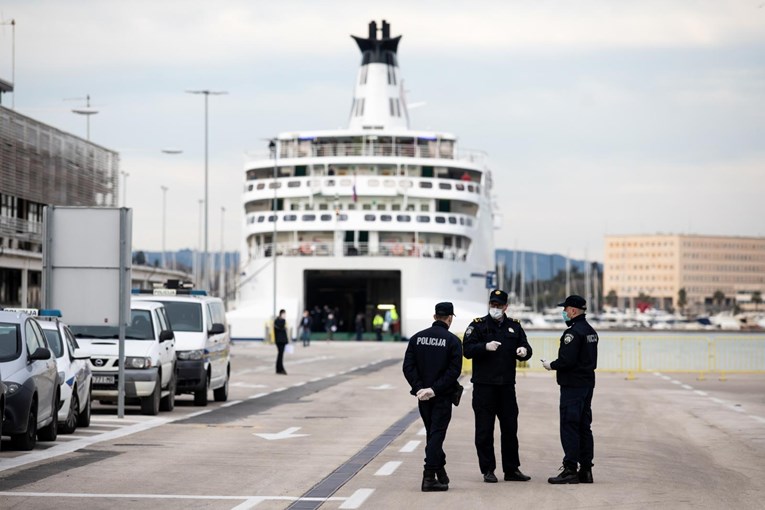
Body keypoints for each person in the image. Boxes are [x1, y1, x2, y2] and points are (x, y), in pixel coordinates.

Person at [463, 289, 533, 484]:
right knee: (484, 431)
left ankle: (511, 469)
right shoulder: (477, 326)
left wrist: (523, 351)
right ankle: (488, 469)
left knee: (510, 429)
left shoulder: (514, 326)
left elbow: (528, 348)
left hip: (506, 387)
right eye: (492, 305)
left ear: (506, 307)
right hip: (484, 387)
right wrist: (484, 347)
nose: (495, 308)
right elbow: (467, 350)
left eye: (499, 305)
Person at [403, 301, 463, 492]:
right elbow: (454, 371)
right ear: (450, 318)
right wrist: (435, 389)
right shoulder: (453, 341)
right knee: (437, 435)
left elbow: (408, 367)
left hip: (422, 397)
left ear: (434, 316)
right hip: (442, 396)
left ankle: (440, 470)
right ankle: (429, 476)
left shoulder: (416, 338)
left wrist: (420, 387)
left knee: (432, 434)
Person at [542, 295, 599, 484]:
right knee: (584, 426)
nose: (564, 313)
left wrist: (551, 365)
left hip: (573, 386)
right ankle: (586, 470)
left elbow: (567, 361)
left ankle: (570, 469)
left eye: (565, 309)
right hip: (587, 384)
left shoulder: (573, 333)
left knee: (569, 425)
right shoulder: (591, 331)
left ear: (573, 310)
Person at [274, 309, 289, 374]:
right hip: (280, 341)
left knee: (280, 355)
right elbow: (281, 326)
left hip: (281, 341)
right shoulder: (279, 321)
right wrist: (283, 319)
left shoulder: (278, 321)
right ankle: (280, 368)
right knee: (280, 355)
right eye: (284, 314)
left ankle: (279, 368)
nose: (285, 316)